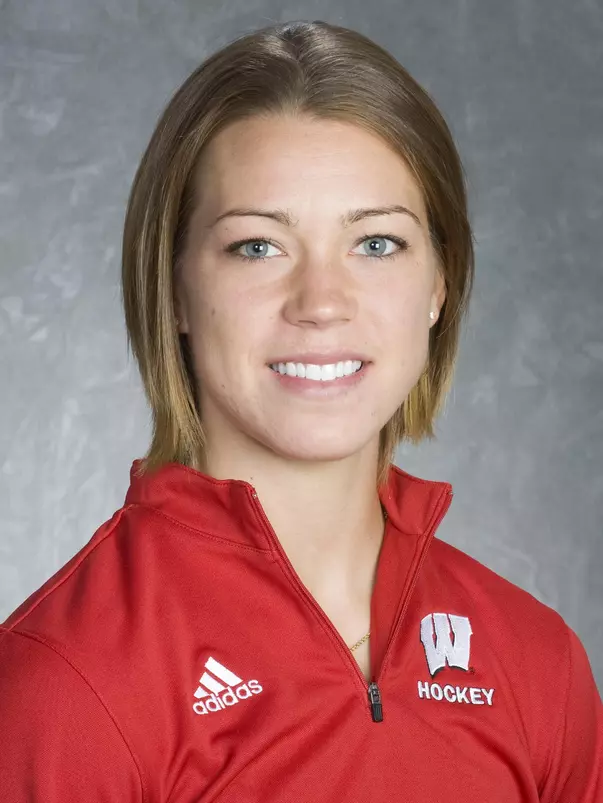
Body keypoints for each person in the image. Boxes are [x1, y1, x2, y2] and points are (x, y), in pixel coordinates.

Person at [0, 18, 601, 802]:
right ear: (176, 287)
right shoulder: (67, 681)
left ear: (438, 287)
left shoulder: (535, 661)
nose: (321, 303)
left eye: (377, 243)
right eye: (257, 246)